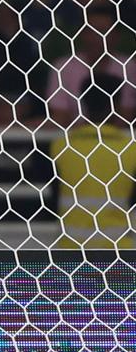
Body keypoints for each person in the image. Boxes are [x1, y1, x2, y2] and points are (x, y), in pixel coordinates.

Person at [50, 74, 136, 249]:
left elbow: (52, 198)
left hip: (70, 251)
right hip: (119, 253)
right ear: (117, 105)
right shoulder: (131, 149)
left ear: (83, 102)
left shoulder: (61, 146)